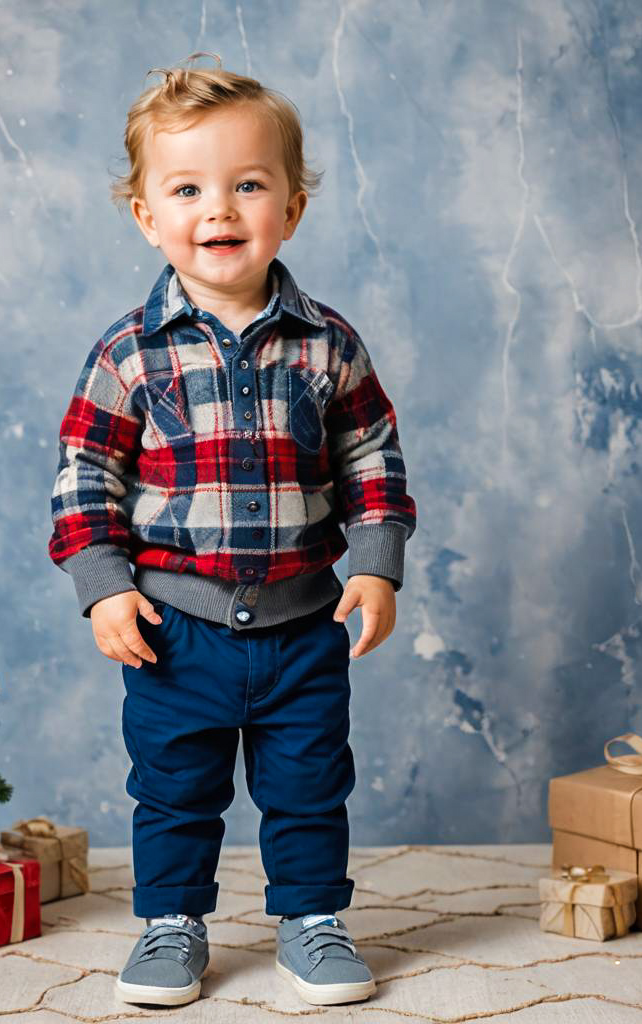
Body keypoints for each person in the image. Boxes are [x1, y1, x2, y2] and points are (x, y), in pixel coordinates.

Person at [48, 52, 417, 1008]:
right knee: (174, 789)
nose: (219, 210)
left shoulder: (328, 343)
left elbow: (371, 457)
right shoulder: (129, 351)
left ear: (290, 208)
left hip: (303, 626)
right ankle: (172, 926)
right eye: (188, 189)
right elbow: (86, 473)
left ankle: (312, 923)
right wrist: (104, 583)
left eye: (248, 185)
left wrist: (374, 567)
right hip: (175, 630)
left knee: (308, 785)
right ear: (147, 215)